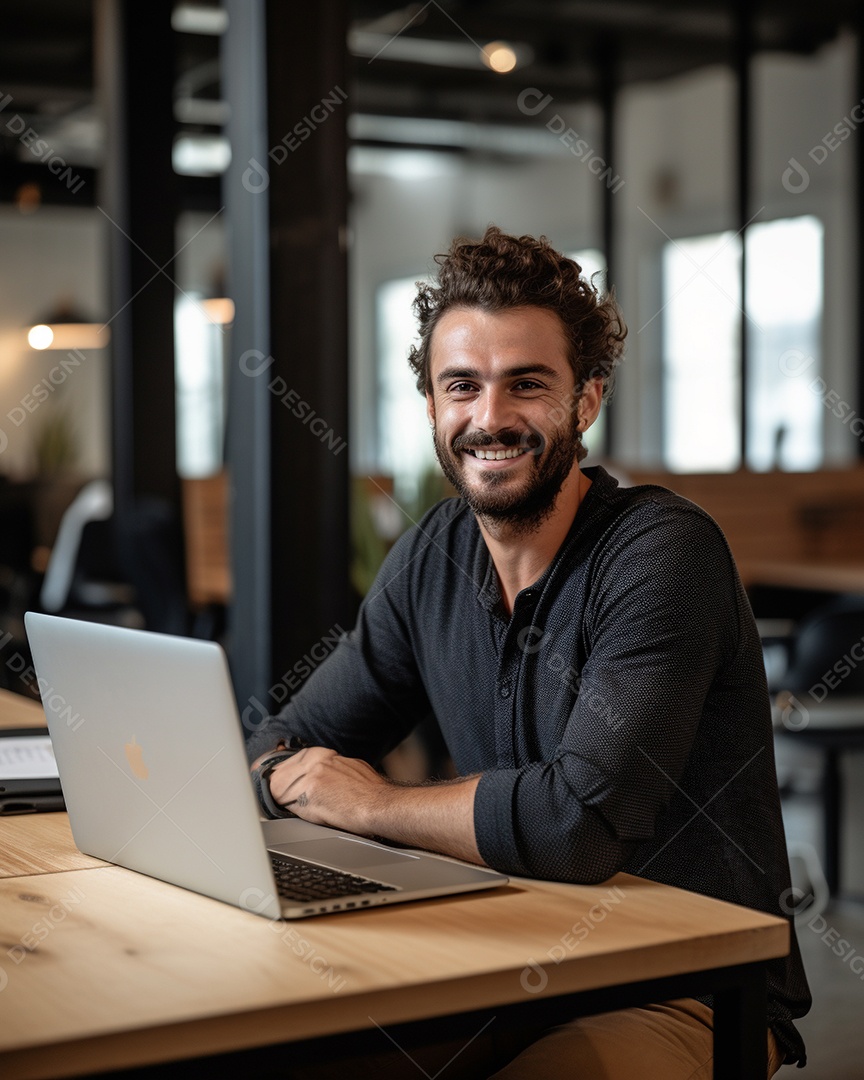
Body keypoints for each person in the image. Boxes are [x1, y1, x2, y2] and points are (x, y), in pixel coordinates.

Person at [247, 226, 810, 1077]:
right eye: (462, 386)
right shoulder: (430, 557)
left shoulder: (664, 555)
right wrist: (269, 775)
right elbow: (286, 736)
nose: (490, 418)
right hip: (501, 954)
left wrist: (369, 805)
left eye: (528, 385)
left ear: (586, 401)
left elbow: (576, 826)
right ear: (432, 406)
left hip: (680, 984)